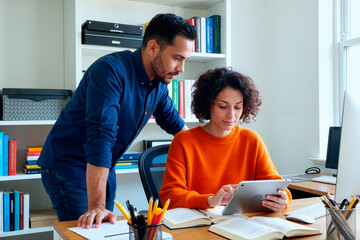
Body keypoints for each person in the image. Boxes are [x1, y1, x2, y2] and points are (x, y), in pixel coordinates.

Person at [37, 13, 196, 228]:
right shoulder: (110, 71)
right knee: (89, 230)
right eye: (177, 58)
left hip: (104, 165)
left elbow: (178, 127)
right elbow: (101, 136)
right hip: (70, 165)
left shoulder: (158, 84)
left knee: (105, 229)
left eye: (185, 60)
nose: (181, 68)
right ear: (152, 48)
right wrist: (96, 205)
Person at [159, 67, 292, 211]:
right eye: (223, 107)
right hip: (198, 226)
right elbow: (169, 196)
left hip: (242, 223)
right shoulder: (183, 142)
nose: (231, 115)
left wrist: (283, 198)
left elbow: (276, 184)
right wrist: (209, 200)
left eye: (237, 107)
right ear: (209, 104)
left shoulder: (251, 140)